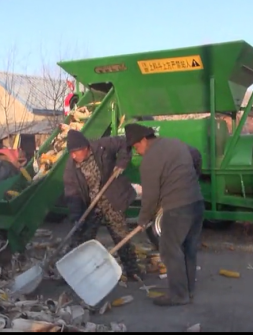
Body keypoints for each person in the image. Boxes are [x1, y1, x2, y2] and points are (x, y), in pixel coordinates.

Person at [124, 123, 204, 307]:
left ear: (144, 139)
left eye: (137, 146)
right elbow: (196, 156)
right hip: (196, 203)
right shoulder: (175, 143)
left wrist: (143, 219)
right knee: (188, 250)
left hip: (177, 208)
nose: (138, 151)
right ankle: (188, 290)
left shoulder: (150, 160)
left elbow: (150, 197)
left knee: (170, 251)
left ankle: (178, 295)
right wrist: (192, 179)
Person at [63, 130, 142, 279]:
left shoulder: (102, 146)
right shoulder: (71, 168)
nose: (73, 156)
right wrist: (77, 217)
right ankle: (73, 272)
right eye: (71, 153)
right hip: (92, 206)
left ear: (85, 148)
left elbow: (125, 142)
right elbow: (72, 194)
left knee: (121, 235)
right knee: (81, 238)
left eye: (75, 152)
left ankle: (133, 271)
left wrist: (121, 163)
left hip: (111, 198)